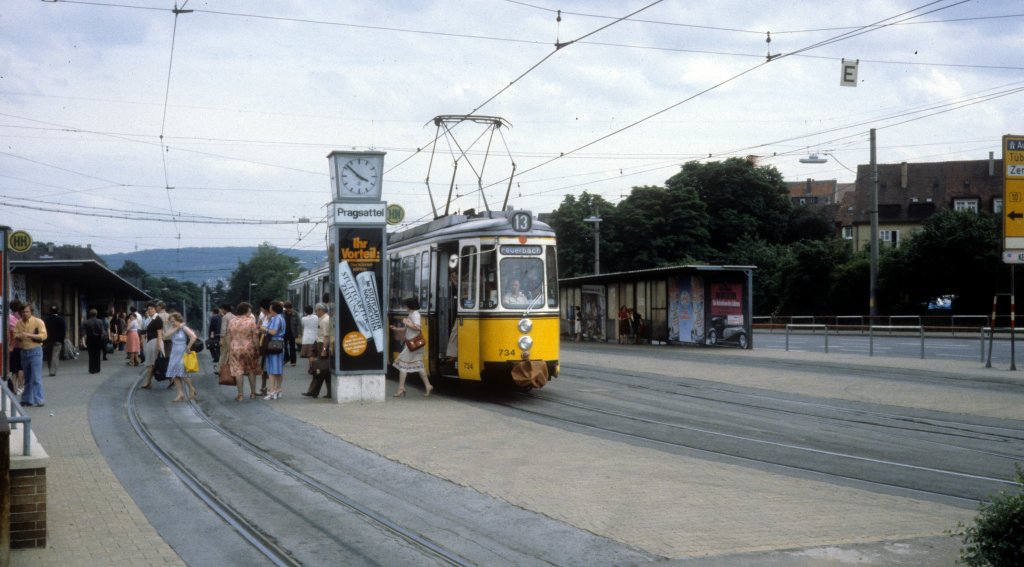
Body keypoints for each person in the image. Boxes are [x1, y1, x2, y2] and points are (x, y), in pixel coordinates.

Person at [389, 297, 433, 398]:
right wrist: (396, 329)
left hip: (413, 345)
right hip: (413, 344)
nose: (405, 307)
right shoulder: (411, 314)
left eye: (406, 305)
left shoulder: (416, 314)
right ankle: (428, 385)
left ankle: (401, 388)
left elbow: (417, 328)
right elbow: (406, 330)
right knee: (419, 365)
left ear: (410, 306)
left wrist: (407, 323)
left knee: (403, 365)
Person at [226, 302, 261, 401]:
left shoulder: (232, 321)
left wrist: (229, 349)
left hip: (235, 348)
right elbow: (255, 337)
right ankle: (253, 393)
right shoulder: (251, 321)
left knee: (238, 371)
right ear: (245, 311)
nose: (250, 313)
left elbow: (228, 336)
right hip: (249, 348)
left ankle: (240, 395)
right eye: (249, 311)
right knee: (251, 370)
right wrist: (258, 349)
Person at [15, 304, 47, 407]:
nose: (25, 314)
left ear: (31, 312)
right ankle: (27, 399)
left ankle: (39, 400)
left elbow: (43, 336)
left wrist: (29, 335)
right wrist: (19, 336)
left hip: (35, 350)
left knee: (36, 377)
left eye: (27, 311)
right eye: (23, 312)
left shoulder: (38, 322)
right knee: (27, 377)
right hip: (24, 351)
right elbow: (15, 334)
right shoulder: (19, 323)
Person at [164, 312, 198, 402]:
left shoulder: (184, 328)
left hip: (182, 351)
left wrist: (188, 347)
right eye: (171, 322)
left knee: (182, 373)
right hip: (174, 352)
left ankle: (191, 388)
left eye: (174, 321)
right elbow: (166, 335)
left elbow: (193, 337)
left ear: (178, 320)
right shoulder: (173, 328)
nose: (172, 323)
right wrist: (177, 327)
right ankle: (180, 393)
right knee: (174, 373)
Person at [303, 303, 332, 399]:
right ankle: (322, 391)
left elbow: (326, 336)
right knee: (324, 370)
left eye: (316, 310)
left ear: (321, 310)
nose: (315, 312)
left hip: (322, 345)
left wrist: (324, 349)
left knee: (320, 369)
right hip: (319, 343)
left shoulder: (325, 320)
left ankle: (313, 391)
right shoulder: (322, 319)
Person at [259, 301, 286, 400]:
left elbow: (273, 332)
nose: (269, 309)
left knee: (272, 369)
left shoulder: (275, 319)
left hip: (273, 344)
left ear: (273, 309)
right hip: (280, 344)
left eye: (270, 308)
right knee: (279, 369)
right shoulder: (281, 318)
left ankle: (272, 391)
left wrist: (263, 329)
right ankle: (278, 389)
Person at [140, 303, 165, 389]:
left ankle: (148, 382)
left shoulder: (157, 319)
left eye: (151, 309)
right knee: (154, 363)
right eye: (148, 309)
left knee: (152, 364)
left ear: (155, 309)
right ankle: (149, 382)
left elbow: (159, 333)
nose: (150, 310)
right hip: (151, 342)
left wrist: (158, 345)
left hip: (155, 342)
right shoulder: (152, 319)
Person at [42, 305, 66, 376]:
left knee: (49, 356)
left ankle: (50, 368)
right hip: (58, 341)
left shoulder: (46, 320)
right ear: (57, 311)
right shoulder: (61, 320)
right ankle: (53, 371)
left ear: (50, 311)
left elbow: (43, 331)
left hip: (48, 340)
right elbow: (63, 331)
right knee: (55, 356)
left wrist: (44, 340)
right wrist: (62, 341)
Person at [82, 308, 107, 374]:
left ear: (90, 314)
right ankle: (97, 368)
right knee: (97, 354)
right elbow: (102, 331)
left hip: (90, 339)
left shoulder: (86, 322)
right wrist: (102, 338)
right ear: (96, 314)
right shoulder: (100, 321)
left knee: (91, 355)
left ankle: (91, 369)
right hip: (98, 339)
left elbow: (84, 333)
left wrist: (84, 341)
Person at [8, 300, 24, 394]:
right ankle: (20, 387)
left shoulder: (10, 317)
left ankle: (13, 388)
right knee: (21, 368)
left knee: (14, 369)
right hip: (19, 345)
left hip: (12, 346)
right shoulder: (19, 318)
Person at [299, 304, 319, 373]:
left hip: (306, 338)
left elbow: (302, 326)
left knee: (310, 355)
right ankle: (314, 367)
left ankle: (312, 367)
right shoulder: (316, 317)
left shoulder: (303, 319)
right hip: (315, 337)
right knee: (313, 355)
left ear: (305, 311)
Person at [283, 301, 300, 367]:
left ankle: (293, 361)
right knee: (284, 347)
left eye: (289, 308)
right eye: (286, 308)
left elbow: (299, 324)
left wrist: (299, 333)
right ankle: (286, 358)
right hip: (284, 332)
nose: (288, 309)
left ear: (291, 307)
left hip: (292, 332)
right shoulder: (283, 314)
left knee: (292, 347)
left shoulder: (295, 314)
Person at [207, 308, 222, 372]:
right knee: (218, 347)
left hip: (214, 335)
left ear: (213, 312)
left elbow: (212, 327)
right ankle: (219, 358)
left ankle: (216, 358)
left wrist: (211, 334)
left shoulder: (213, 318)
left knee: (211, 346)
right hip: (221, 335)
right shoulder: (221, 317)